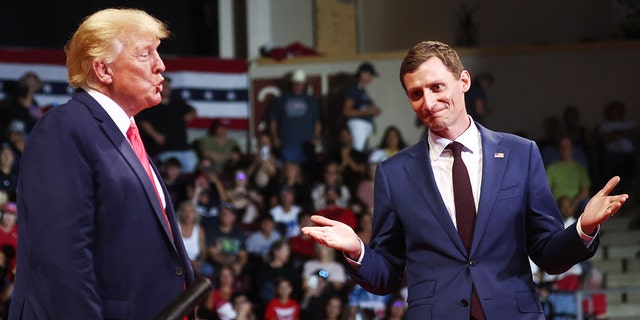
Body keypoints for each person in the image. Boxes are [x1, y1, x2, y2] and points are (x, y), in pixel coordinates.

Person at [302, 40, 628, 320]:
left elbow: (548, 255)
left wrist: (583, 228)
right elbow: (387, 274)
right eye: (416, 94)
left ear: (464, 81)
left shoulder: (520, 153)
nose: (428, 102)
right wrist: (358, 249)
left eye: (436, 87)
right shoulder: (394, 172)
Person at [9, 8, 197, 319]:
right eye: (145, 53)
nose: (160, 65)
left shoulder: (123, 135)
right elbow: (63, 259)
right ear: (103, 69)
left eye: (158, 53)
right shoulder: (65, 127)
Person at [136, 76, 199, 173]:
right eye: (164, 86)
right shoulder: (152, 104)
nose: (167, 88)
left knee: (192, 169)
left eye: (168, 86)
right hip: (164, 149)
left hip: (183, 147)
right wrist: (155, 135)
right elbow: (143, 121)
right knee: (167, 173)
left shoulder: (177, 103)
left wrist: (191, 114)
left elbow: (193, 110)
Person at [269, 69, 322, 168]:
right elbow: (273, 121)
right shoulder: (281, 100)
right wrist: (275, 137)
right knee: (288, 171)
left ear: (304, 85)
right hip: (287, 143)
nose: (298, 86)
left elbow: (317, 122)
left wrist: (315, 138)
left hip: (305, 146)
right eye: (296, 84)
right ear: (292, 84)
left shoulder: (312, 101)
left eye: (300, 84)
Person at [343, 62, 382, 152]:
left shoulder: (362, 90)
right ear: (363, 73)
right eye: (370, 75)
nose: (371, 78)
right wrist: (367, 112)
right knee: (358, 151)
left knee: (362, 150)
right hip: (358, 125)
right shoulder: (354, 89)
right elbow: (347, 111)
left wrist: (374, 110)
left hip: (365, 125)